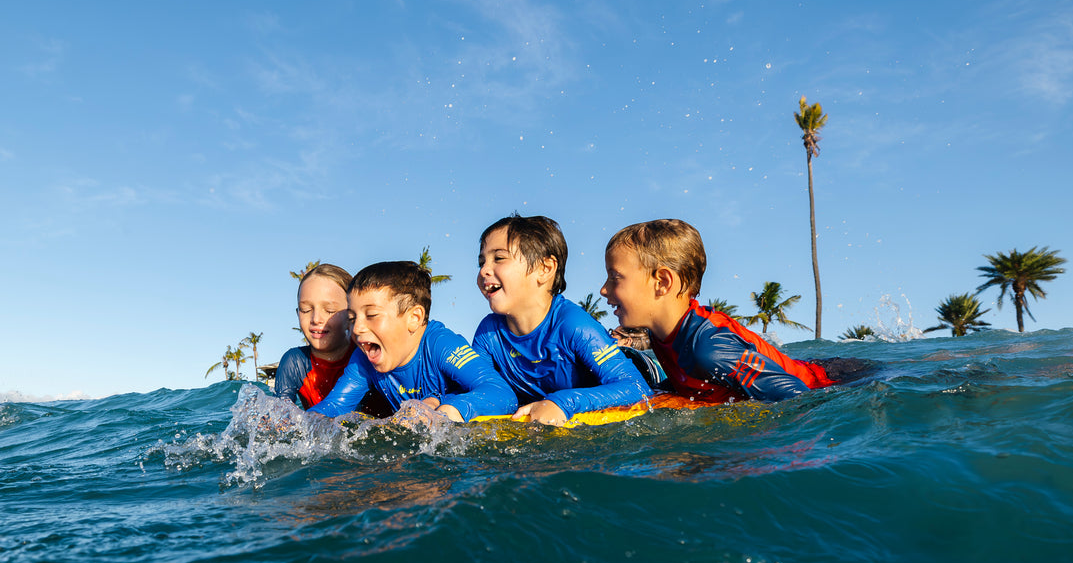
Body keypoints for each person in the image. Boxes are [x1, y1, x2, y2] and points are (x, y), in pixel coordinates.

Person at [601, 219, 838, 403]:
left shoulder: (709, 349)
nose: (603, 290)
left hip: (830, 381)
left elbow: (799, 398)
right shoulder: (662, 335)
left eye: (615, 278)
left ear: (662, 282)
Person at [473, 214, 651, 426]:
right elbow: (481, 388)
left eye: (499, 258)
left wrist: (563, 402)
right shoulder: (488, 333)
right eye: (481, 261)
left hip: (640, 368)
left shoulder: (572, 324)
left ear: (544, 269)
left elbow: (637, 388)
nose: (484, 270)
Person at [309, 261, 516, 421]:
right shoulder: (364, 358)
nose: (357, 328)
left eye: (371, 315)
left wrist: (447, 410)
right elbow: (335, 406)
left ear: (414, 318)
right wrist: (300, 422)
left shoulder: (439, 345)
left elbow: (501, 393)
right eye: (352, 319)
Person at [275, 263, 358, 409]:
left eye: (329, 310)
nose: (315, 319)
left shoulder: (364, 356)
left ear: (350, 315)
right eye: (306, 310)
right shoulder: (295, 363)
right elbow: (280, 418)